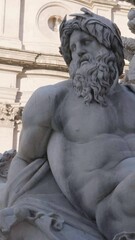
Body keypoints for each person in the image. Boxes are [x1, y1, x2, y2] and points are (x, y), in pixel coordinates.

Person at [0, 7, 135, 240]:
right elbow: (25, 158)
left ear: (110, 48)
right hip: (109, 210)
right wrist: (13, 212)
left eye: (86, 42)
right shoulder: (53, 99)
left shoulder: (131, 97)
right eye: (72, 48)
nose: (79, 52)